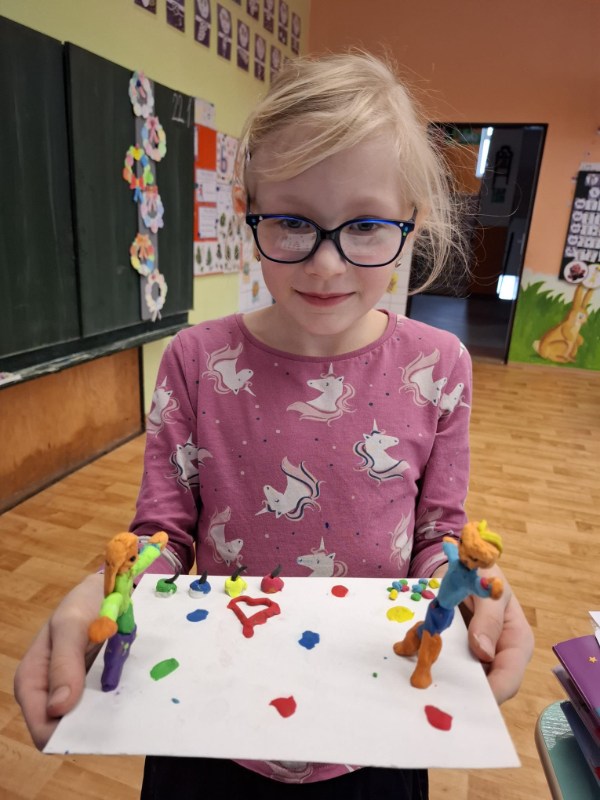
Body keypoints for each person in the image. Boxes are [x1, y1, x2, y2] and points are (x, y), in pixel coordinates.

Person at [14, 51, 534, 798]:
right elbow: (164, 536)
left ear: (412, 221)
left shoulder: (441, 364)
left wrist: (468, 583)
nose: (325, 264)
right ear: (248, 206)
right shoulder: (195, 360)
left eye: (365, 226)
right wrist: (106, 590)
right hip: (207, 713)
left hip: (374, 720)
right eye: (291, 223)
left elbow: (435, 539)